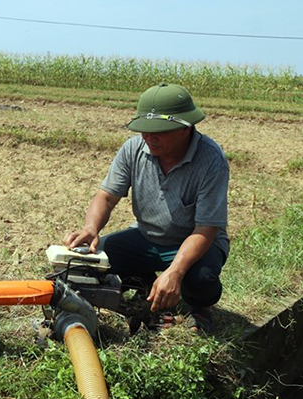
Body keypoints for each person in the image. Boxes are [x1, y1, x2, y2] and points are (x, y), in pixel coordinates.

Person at [63, 83, 229, 332]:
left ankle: (198, 308)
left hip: (194, 241)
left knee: (201, 280)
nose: (149, 137)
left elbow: (206, 228)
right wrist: (91, 228)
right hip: (146, 237)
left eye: (159, 131)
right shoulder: (133, 149)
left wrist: (175, 271)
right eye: (145, 130)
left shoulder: (211, 160)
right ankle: (147, 285)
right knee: (93, 261)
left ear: (185, 129)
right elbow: (107, 196)